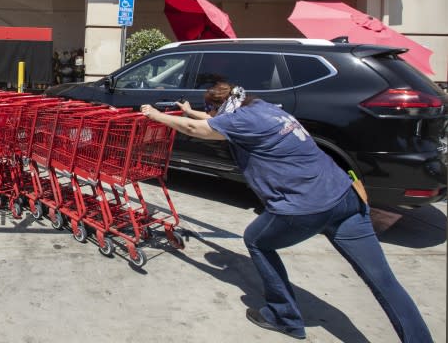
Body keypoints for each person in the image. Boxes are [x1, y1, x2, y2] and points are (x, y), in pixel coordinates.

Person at [140, 82, 433, 342]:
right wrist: (190, 111)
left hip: (305, 206)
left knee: (257, 240)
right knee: (382, 279)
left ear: (222, 108)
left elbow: (200, 130)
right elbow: (216, 123)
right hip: (344, 196)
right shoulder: (264, 109)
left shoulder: (238, 120)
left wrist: (155, 115)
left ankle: (284, 317)